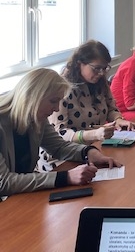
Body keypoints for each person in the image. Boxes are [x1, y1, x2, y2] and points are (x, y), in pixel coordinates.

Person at [0, 68, 121, 196]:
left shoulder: (36, 116)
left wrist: (88, 152)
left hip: (20, 195)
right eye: (53, 101)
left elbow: (59, 147)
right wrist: (66, 177)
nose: (57, 108)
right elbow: (3, 182)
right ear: (33, 97)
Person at [37, 40, 135, 172]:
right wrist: (93, 135)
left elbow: (111, 109)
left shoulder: (100, 83)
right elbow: (60, 134)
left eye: (104, 68)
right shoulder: (63, 89)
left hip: (91, 149)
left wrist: (118, 120)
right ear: (79, 64)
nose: (101, 73)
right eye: (96, 68)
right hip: (62, 156)